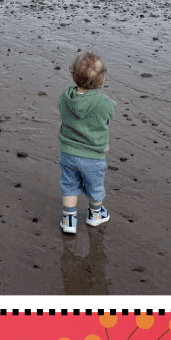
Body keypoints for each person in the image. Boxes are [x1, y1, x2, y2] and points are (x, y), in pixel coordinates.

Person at [56, 51, 115, 234]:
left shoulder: (65, 97)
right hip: (93, 156)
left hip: (68, 153)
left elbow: (62, 112)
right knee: (95, 187)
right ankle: (95, 215)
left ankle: (69, 219)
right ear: (100, 80)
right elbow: (107, 118)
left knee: (69, 186)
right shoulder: (104, 103)